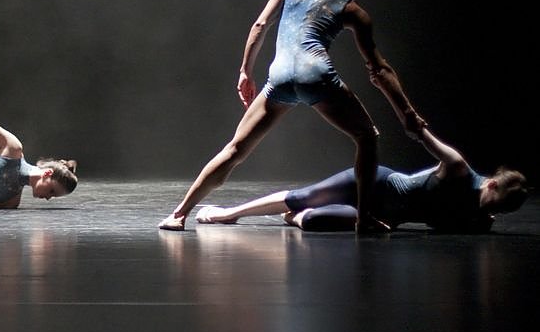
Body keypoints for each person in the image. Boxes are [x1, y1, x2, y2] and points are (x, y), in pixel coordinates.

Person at [159, 0, 425, 233]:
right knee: (367, 138)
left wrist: (245, 70)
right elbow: (379, 69)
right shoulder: (354, 11)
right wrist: (406, 112)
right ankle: (364, 219)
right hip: (316, 75)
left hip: (281, 76)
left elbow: (260, 25)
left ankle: (178, 214)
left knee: (235, 149)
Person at [194, 125, 529, 233]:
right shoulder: (457, 167)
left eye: (501, 211)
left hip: (382, 217)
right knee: (304, 196)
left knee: (311, 220)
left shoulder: (479, 218)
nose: (494, 211)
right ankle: (229, 213)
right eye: (496, 203)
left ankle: (294, 218)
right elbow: (419, 132)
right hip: (375, 183)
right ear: (491, 184)